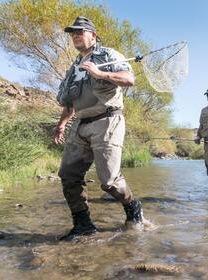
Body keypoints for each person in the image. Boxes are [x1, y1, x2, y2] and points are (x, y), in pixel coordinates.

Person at [54, 16, 143, 241]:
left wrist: (101, 74)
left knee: (109, 182)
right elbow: (70, 103)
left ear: (93, 36)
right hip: (80, 125)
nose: (75, 35)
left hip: (108, 120)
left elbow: (128, 78)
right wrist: (62, 124)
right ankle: (83, 225)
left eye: (80, 31)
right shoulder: (73, 68)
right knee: (68, 175)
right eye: (72, 32)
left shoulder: (109, 55)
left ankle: (133, 208)